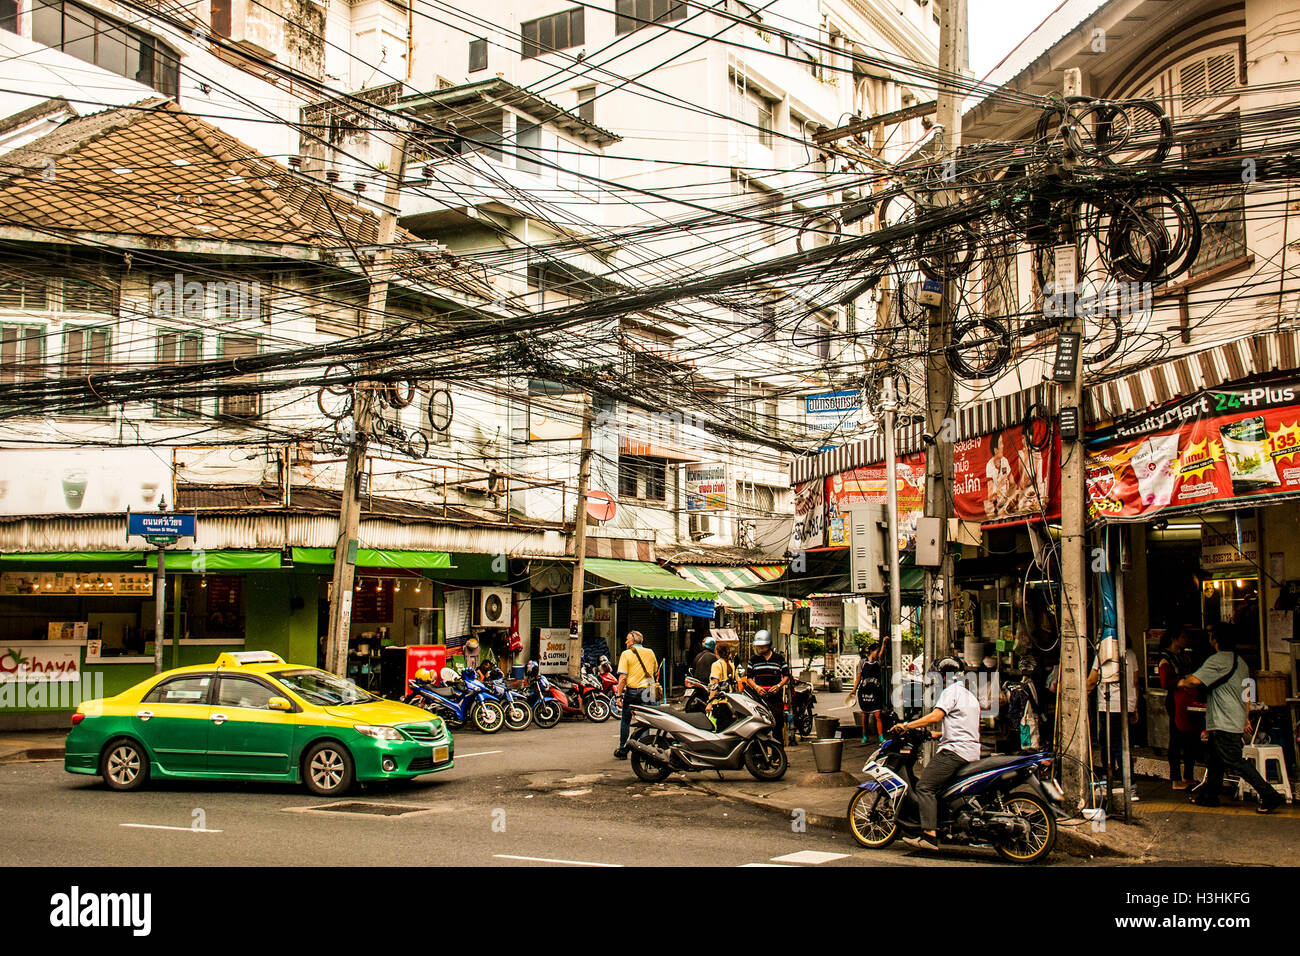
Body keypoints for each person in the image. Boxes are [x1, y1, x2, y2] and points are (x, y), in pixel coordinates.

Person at [1180, 623, 1284, 812]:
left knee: (1234, 760)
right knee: (1215, 759)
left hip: (1223, 721)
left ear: (1216, 639)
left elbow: (1194, 681)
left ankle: (1270, 795)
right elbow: (1247, 694)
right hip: (1233, 719)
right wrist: (1245, 718)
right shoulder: (1241, 662)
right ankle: (1209, 796)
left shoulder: (1217, 660)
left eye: (1211, 635)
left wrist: (1182, 681)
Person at [893, 657, 981, 851]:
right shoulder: (969, 695)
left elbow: (936, 716)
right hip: (970, 751)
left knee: (925, 786)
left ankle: (929, 836)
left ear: (944, 676)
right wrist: (936, 735)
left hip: (955, 752)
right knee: (941, 788)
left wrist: (907, 726)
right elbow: (963, 726)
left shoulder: (950, 692)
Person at [1088, 642, 1140, 802]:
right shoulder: (1130, 654)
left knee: (1109, 744)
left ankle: (1116, 782)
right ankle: (1126, 784)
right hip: (1127, 704)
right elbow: (1136, 682)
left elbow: (1092, 679)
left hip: (1109, 705)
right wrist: (1135, 706)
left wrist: (1082, 694)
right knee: (1121, 745)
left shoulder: (1103, 653)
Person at [1157, 626, 1200, 790]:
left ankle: (1188, 775)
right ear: (1174, 638)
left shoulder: (1184, 656)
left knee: (1191, 738)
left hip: (1189, 698)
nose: (1185, 640)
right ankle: (1176, 778)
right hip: (1175, 700)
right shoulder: (1165, 658)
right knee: (1176, 737)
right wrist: (1180, 682)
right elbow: (1164, 682)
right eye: (1182, 636)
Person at [613, 630, 658, 760]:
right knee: (644, 721)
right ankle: (644, 752)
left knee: (626, 719)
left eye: (627, 639)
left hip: (632, 691)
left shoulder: (626, 654)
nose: (626, 642)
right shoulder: (650, 653)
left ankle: (623, 749)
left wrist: (618, 695)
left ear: (632, 641)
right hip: (648, 691)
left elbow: (622, 677)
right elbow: (654, 671)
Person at [747, 630, 790, 743]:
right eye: (758, 646)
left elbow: (786, 676)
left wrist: (778, 686)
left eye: (762, 646)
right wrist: (756, 687)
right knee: (760, 728)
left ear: (768, 645)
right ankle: (762, 755)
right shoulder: (753, 660)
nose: (760, 649)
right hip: (759, 698)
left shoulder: (779, 659)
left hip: (775, 698)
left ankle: (778, 756)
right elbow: (749, 678)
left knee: (777, 725)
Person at [848, 641, 884, 743]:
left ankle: (881, 736)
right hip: (864, 691)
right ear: (871, 651)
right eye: (876, 652)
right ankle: (864, 735)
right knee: (865, 715)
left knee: (878, 714)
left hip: (876, 692)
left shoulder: (878, 662)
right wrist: (854, 690)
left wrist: (884, 643)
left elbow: (881, 654)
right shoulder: (862, 663)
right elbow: (858, 677)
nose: (877, 654)